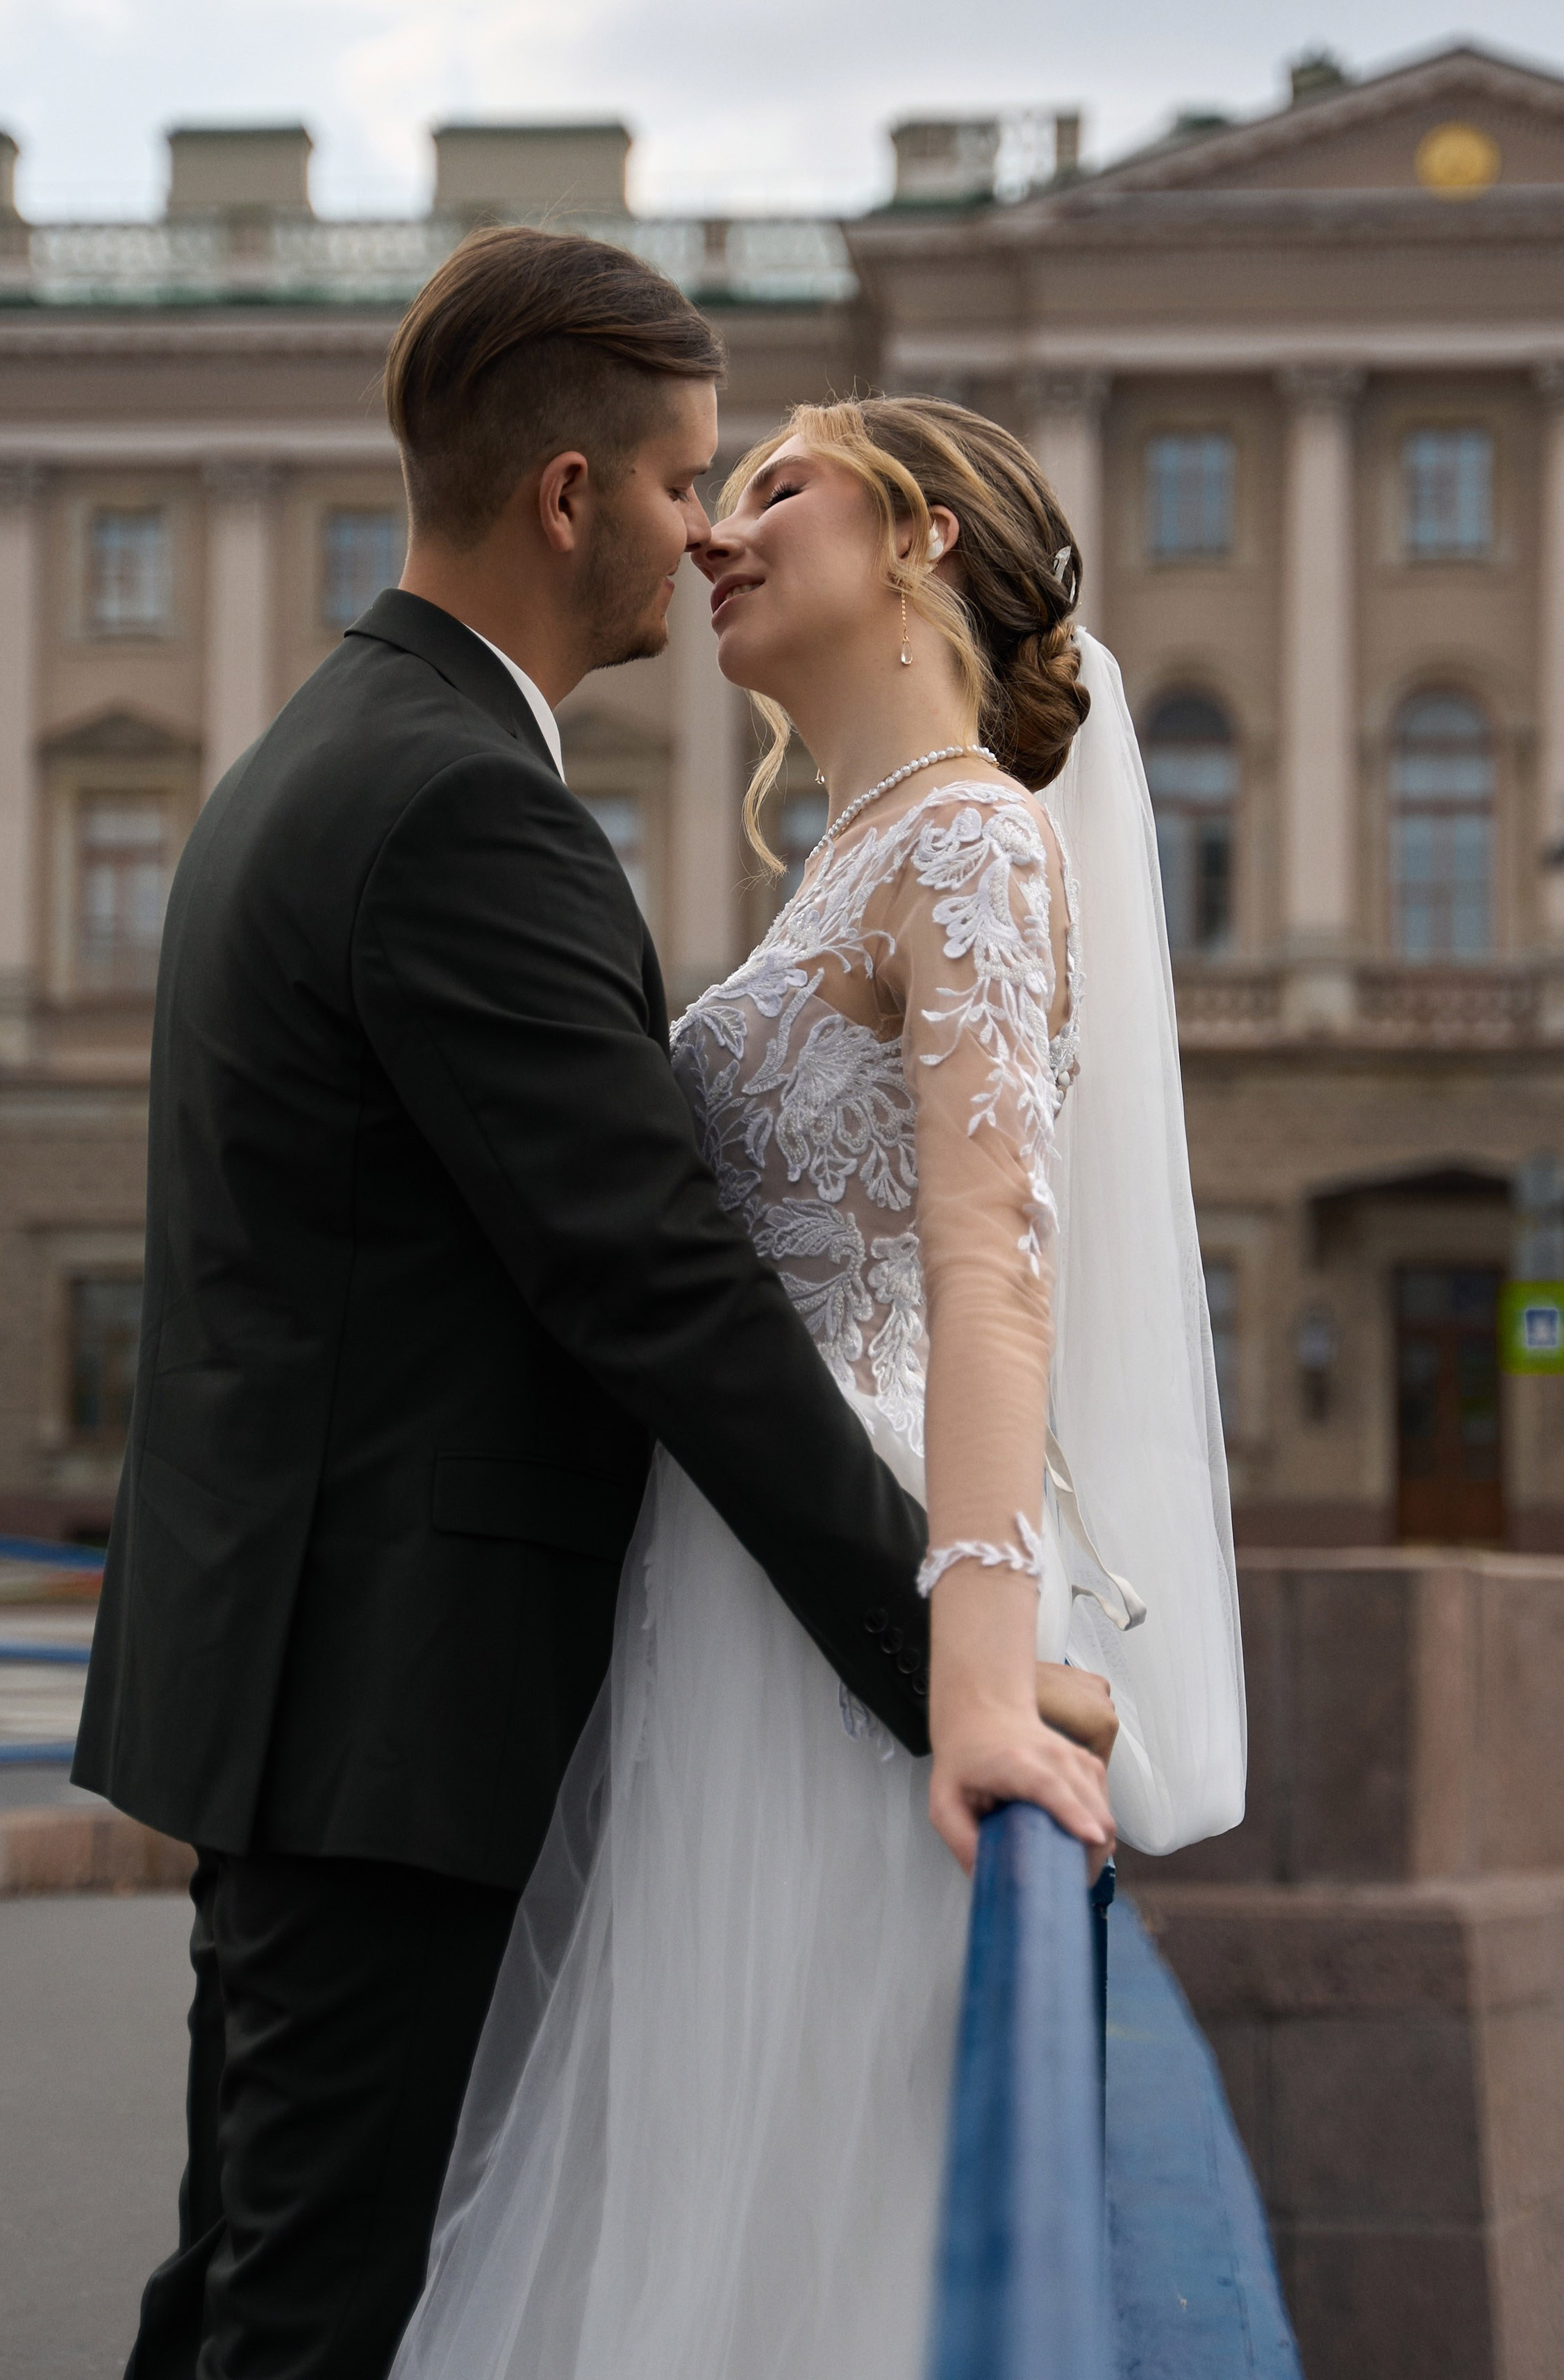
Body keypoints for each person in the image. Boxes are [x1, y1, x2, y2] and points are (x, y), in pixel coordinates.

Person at [73, 237, 1117, 2380]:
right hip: (398, 1702)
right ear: (570, 497)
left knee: (272, 2277)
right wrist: (935, 1664)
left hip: (319, 1676)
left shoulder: (326, 753)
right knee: (324, 2304)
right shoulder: (469, 804)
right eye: (686, 482)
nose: (707, 528)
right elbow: (655, 1289)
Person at [387, 396, 1248, 2379]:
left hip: (852, 1596)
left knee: (811, 2173)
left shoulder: (966, 835)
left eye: (779, 489)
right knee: (725, 2156)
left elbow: (988, 1259)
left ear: (925, 540)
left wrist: (968, 1664)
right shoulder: (856, 854)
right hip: (742, 1579)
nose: (713, 534)